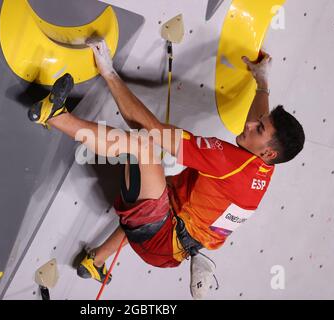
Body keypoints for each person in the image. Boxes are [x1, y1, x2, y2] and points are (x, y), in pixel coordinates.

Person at [28, 39, 305, 298]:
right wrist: (262, 82)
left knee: (143, 145)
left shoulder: (231, 163)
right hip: (172, 245)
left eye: (258, 128)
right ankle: (95, 261)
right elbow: (261, 119)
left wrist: (109, 73)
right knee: (161, 193)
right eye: (258, 121)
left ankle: (55, 116)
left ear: (268, 151)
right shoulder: (265, 165)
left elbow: (152, 129)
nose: (249, 124)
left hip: (163, 237)